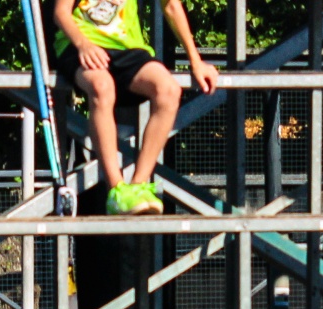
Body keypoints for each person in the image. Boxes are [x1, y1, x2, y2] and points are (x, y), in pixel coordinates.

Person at [52, 0, 219, 215]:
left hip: (127, 48)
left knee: (168, 90)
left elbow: (171, 6)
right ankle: (116, 191)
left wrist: (195, 61)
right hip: (79, 45)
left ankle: (138, 186)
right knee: (102, 86)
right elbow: (61, 12)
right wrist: (83, 44)